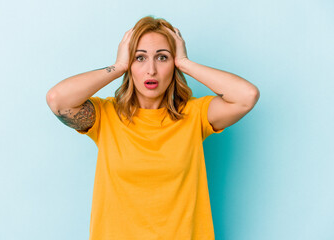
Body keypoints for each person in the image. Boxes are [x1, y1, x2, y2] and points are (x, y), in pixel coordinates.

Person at [46, 16, 259, 240]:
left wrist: (185, 62)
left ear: (173, 63)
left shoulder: (195, 115)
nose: (151, 70)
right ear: (130, 64)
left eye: (162, 57)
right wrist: (118, 67)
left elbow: (247, 96)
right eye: (140, 58)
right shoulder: (105, 116)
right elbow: (58, 100)